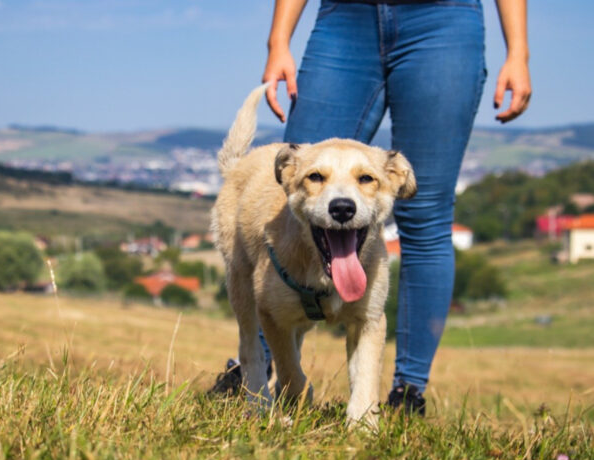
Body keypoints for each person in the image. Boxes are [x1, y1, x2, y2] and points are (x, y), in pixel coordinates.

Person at [210, 0, 531, 414]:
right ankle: (260, 371)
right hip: (345, 18)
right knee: (300, 185)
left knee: (426, 211)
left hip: (444, 20)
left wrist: (518, 51)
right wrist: (278, 40)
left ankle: (406, 393)